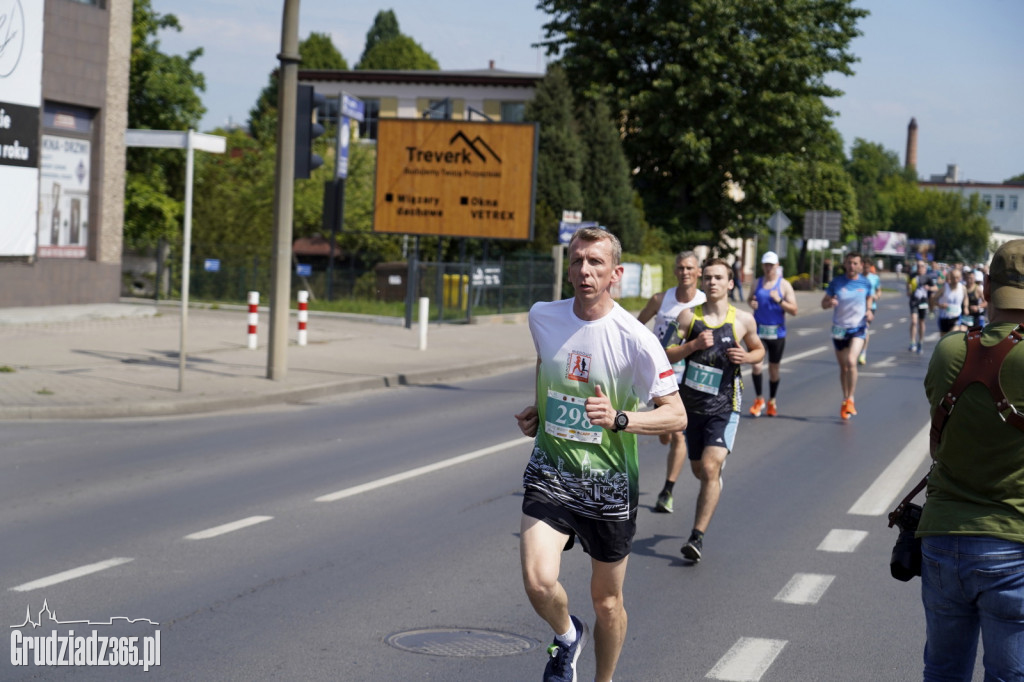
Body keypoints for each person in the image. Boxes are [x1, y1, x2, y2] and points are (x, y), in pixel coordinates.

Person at [514, 227, 687, 682]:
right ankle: (568, 635)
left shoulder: (636, 338)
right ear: (567, 267)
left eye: (595, 262)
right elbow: (544, 359)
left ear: (616, 273)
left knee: (607, 602)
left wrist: (621, 419)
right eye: (577, 261)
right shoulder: (542, 316)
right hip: (551, 470)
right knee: (537, 579)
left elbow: (676, 416)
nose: (584, 271)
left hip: (608, 486)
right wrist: (540, 405)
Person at [917, 238, 1024, 680]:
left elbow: (938, 435)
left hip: (942, 538)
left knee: (942, 671)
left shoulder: (949, 350)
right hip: (1012, 542)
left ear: (986, 289)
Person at [665, 259, 764, 562]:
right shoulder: (687, 317)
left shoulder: (743, 320)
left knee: (709, 467)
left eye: (719, 278)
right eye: (707, 277)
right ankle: (713, 480)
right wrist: (691, 346)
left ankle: (696, 537)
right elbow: (665, 353)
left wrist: (746, 358)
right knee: (699, 469)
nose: (712, 283)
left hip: (725, 406)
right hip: (692, 405)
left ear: (730, 283)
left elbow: (759, 349)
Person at [636, 251, 706, 513]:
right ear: (675, 271)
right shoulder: (660, 300)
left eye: (690, 268)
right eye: (681, 268)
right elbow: (636, 326)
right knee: (664, 435)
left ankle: (667, 491)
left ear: (698, 272)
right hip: (659, 374)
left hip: (687, 375)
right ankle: (664, 434)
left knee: (677, 434)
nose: (685, 272)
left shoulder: (704, 302)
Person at [821, 252, 874, 420]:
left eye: (855, 263)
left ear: (860, 265)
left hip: (857, 328)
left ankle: (851, 398)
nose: (852, 266)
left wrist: (869, 310)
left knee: (852, 361)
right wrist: (830, 303)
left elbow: (869, 297)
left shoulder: (865, 282)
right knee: (843, 367)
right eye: (849, 263)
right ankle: (845, 399)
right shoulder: (836, 282)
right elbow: (823, 303)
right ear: (845, 264)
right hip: (839, 329)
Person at [747, 251, 798, 417]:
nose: (768, 268)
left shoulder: (784, 285)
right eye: (766, 265)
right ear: (762, 266)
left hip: (777, 332)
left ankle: (772, 401)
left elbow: (794, 310)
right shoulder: (757, 283)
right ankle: (759, 399)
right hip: (759, 330)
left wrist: (780, 301)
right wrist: (752, 303)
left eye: (771, 265)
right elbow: (750, 299)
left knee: (773, 370)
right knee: (756, 365)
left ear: (777, 266)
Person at [907, 260, 937, 354]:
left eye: (921, 266)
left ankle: (920, 341)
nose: (920, 268)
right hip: (914, 301)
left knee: (921, 322)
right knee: (914, 321)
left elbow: (935, 288)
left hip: (923, 302)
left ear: (925, 267)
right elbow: (908, 286)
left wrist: (929, 288)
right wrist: (909, 290)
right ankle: (912, 341)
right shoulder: (912, 275)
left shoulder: (928, 277)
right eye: (918, 266)